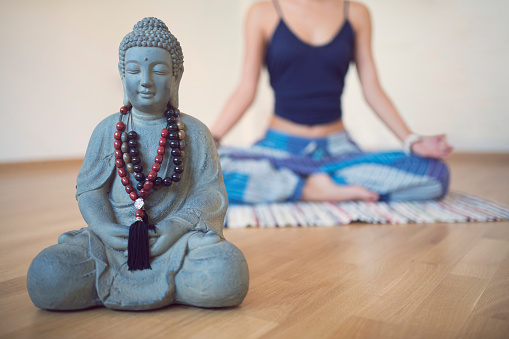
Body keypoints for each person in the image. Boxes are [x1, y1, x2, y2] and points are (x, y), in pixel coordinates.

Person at [27, 17, 249, 311]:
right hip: (113, 244)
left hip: (173, 243)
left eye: (158, 70)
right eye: (134, 70)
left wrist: (176, 225)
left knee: (227, 272)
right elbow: (90, 190)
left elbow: (211, 194)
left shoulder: (194, 132)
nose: (145, 80)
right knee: (47, 275)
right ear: (123, 76)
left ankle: (172, 280)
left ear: (175, 78)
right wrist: (104, 227)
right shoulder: (108, 131)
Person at [211, 0, 453, 204]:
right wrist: (212, 138)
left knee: (435, 175)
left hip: (338, 150)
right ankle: (310, 189)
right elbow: (246, 89)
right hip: (278, 148)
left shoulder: (356, 12)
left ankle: (301, 181)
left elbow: (372, 88)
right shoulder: (262, 12)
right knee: (202, 173)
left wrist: (411, 141)